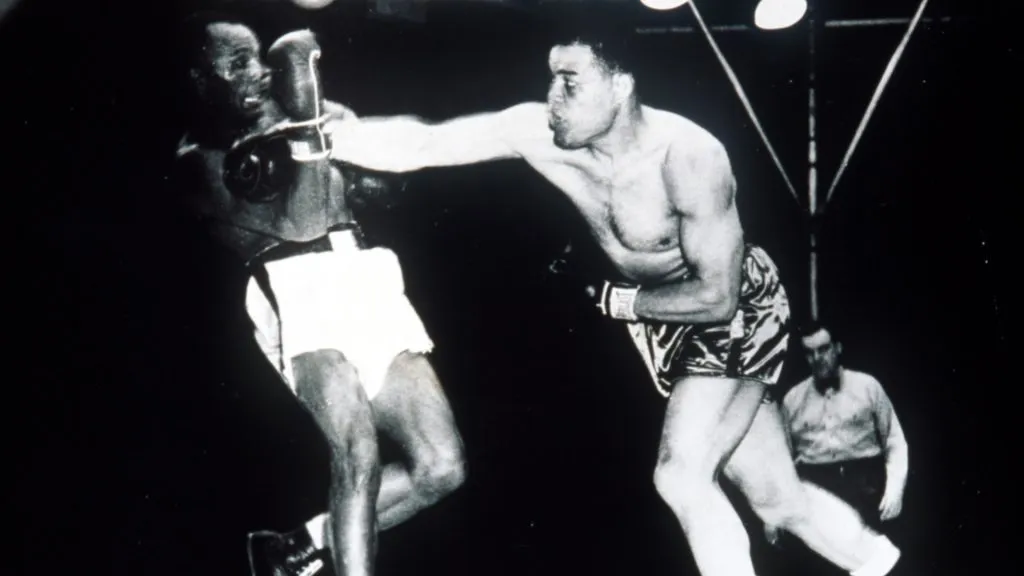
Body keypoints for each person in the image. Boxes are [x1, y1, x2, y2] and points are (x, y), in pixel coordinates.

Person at [326, 20, 901, 576]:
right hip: (663, 326)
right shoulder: (539, 135)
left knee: (682, 476)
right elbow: (425, 142)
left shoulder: (688, 156)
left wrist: (614, 302)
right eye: (551, 79)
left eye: (570, 83)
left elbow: (717, 297)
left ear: (620, 86)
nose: (553, 98)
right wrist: (326, 134)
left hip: (735, 311)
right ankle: (878, 562)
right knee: (778, 499)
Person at [171, 12, 466, 576]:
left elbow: (380, 175)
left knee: (440, 466)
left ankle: (294, 548)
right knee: (358, 453)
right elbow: (301, 223)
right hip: (293, 286)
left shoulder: (297, 114)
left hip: (365, 273)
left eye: (259, 57)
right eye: (238, 64)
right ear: (201, 79)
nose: (260, 72)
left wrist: (362, 159)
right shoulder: (199, 160)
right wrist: (309, 126)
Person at [767, 322, 908, 562]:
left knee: (876, 564)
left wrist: (895, 489)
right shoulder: (793, 400)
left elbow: (895, 441)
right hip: (819, 492)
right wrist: (774, 516)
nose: (817, 358)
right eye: (809, 353)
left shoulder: (868, 387)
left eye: (823, 349)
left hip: (866, 488)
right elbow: (782, 461)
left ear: (837, 348)